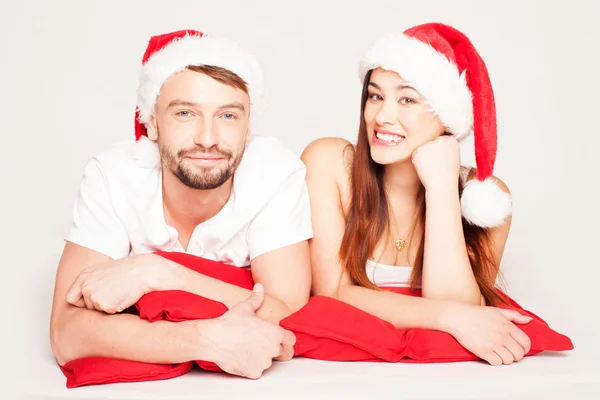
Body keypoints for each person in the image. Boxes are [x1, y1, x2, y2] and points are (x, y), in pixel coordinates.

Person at [50, 29, 313, 380]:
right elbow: (66, 334)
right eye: (186, 113)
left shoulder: (275, 173)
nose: (207, 139)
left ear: (248, 128)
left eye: (228, 116)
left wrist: (158, 273)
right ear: (152, 123)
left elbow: (290, 317)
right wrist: (204, 340)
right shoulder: (113, 174)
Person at [301, 22, 532, 366]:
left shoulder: (487, 199)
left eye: (407, 99)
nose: (382, 116)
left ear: (447, 118)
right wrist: (451, 319)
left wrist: (441, 189)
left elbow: (460, 305)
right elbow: (333, 294)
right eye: (375, 96)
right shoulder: (330, 163)